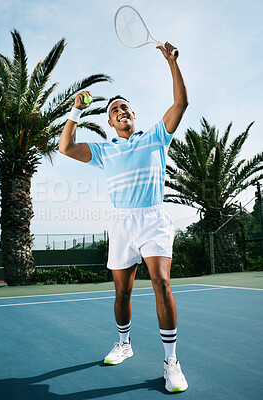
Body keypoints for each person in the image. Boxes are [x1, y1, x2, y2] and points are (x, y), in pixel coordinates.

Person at [59, 41, 188, 393]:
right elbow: (65, 147)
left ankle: (171, 362)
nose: (120, 111)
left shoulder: (156, 138)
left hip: (153, 219)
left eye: (125, 107)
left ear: (134, 115)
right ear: (110, 120)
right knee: (122, 293)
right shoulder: (104, 150)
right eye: (115, 109)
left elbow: (181, 103)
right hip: (120, 222)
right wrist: (75, 111)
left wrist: (171, 63)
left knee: (161, 283)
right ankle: (124, 344)